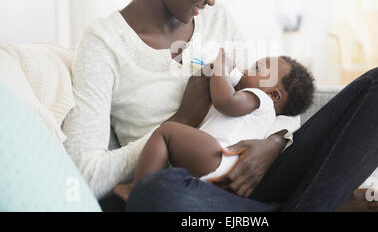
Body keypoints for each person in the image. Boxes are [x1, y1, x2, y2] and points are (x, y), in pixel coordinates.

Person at [63, 0, 378, 212]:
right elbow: (86, 174)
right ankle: (311, 205)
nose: (214, 0)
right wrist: (182, 119)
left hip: (260, 172)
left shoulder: (219, 23)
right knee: (156, 194)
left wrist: (273, 146)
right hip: (191, 189)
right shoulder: (103, 44)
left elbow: (273, 102)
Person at [112, 49, 315, 202]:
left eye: (256, 69)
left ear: (273, 94)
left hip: (220, 159)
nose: (245, 70)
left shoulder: (260, 99)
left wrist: (222, 68)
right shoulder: (256, 108)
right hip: (220, 174)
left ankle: (136, 188)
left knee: (167, 133)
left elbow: (225, 101)